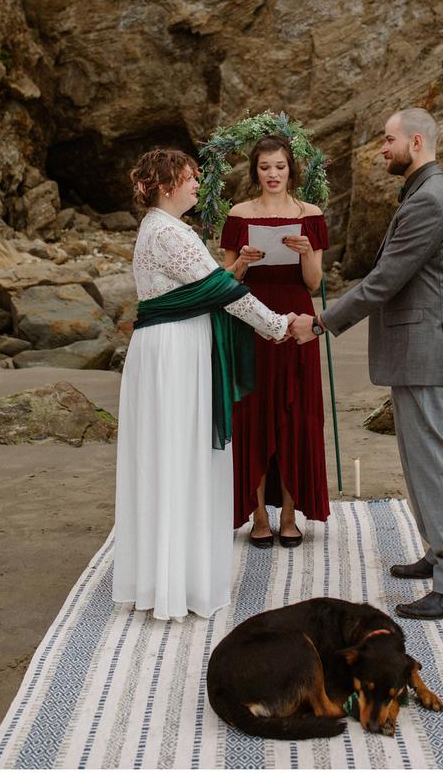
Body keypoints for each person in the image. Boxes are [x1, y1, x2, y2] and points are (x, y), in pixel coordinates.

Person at [290, 108, 443, 621]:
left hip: (424, 348)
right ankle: (440, 554)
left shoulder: (430, 199)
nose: (382, 148)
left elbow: (385, 279)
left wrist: (321, 322)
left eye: (389, 139)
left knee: (433, 463)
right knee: (419, 461)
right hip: (416, 348)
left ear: (416, 142)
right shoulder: (422, 192)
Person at [113, 148, 295, 620]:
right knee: (181, 454)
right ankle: (180, 583)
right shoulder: (170, 232)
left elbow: (207, 286)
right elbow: (223, 292)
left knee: (166, 457)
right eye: (190, 177)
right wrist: (278, 325)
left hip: (167, 347)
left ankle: (163, 576)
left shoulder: (159, 227)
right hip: (174, 353)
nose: (198, 183)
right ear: (165, 185)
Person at [221, 135, 331, 548]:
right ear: (255, 171)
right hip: (250, 320)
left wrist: (305, 252)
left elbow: (314, 283)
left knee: (296, 415)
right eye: (265, 167)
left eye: (280, 167)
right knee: (252, 415)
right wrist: (242, 262)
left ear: (291, 170)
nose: (273, 174)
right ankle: (258, 516)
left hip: (296, 323)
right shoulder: (239, 214)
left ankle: (288, 515)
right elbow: (225, 282)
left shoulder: (311, 215)